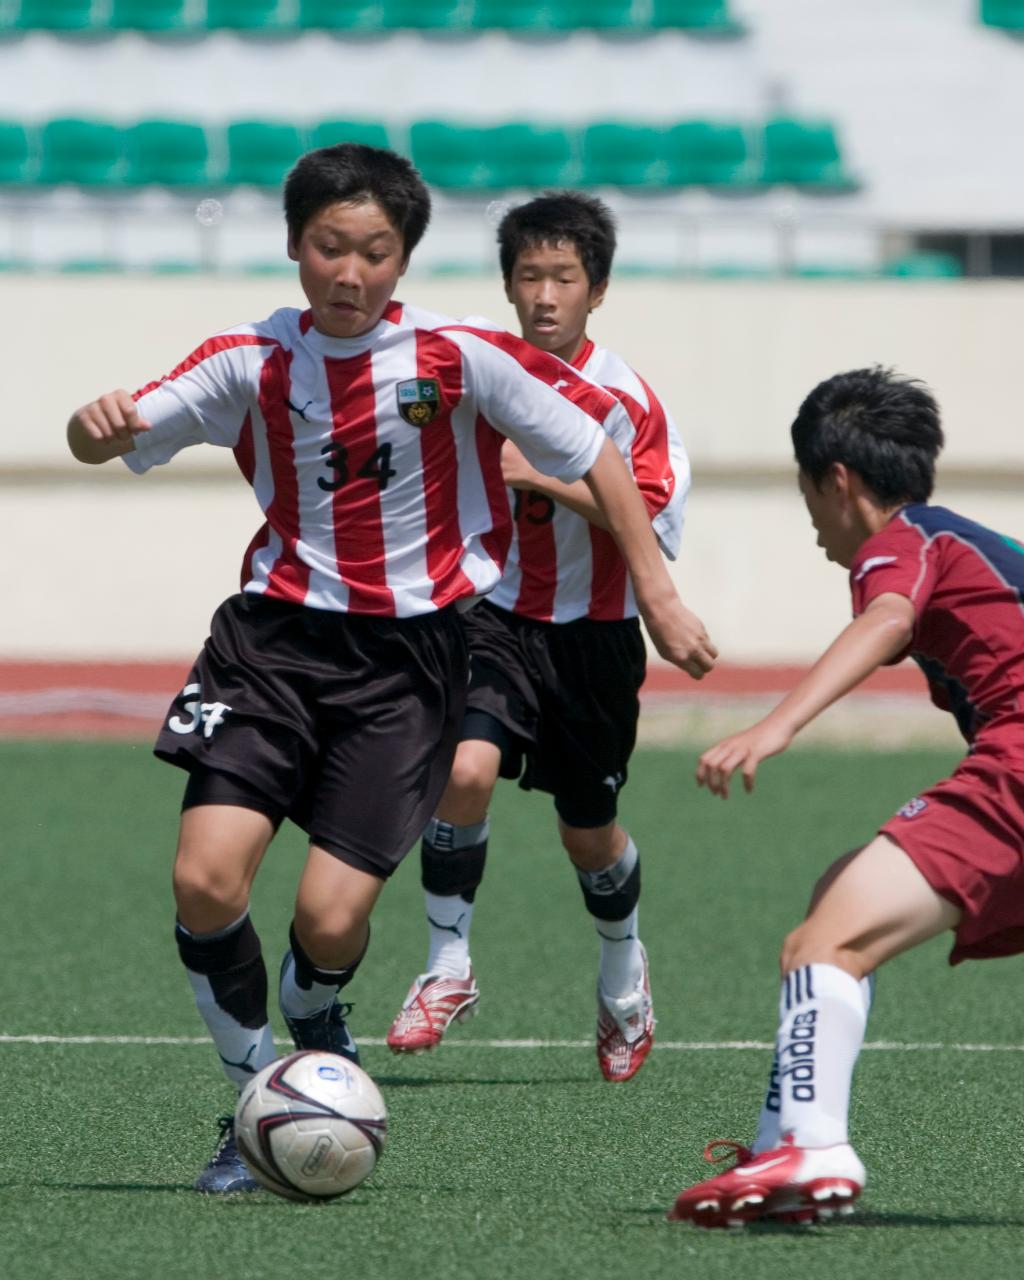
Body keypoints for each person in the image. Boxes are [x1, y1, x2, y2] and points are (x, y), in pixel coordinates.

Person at [66, 144, 718, 1196]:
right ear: (294, 247)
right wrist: (92, 427)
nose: (350, 272)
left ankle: (319, 1007)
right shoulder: (248, 359)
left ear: (403, 258)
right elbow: (115, 435)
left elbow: (596, 447)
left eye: (374, 251)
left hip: (409, 662)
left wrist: (658, 590)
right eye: (330, 247)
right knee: (203, 878)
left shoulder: (459, 357)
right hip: (270, 643)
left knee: (327, 920)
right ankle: (251, 1099)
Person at [668, 366, 1024, 1228]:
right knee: (835, 903)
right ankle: (779, 1146)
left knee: (826, 939)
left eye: (807, 495)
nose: (814, 525)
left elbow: (887, 620)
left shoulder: (905, 539)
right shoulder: (977, 543)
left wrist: (773, 726)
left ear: (837, 480)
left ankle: (815, 1147)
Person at [385, 192, 690, 1083]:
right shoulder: (476, 362)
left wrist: (549, 481)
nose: (545, 295)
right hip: (491, 614)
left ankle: (623, 970)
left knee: (586, 829)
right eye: (530, 277)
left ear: (597, 290)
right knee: (464, 769)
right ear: (509, 288)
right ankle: (447, 967)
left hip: (593, 636)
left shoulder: (625, 399)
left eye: (565, 278)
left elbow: (654, 526)